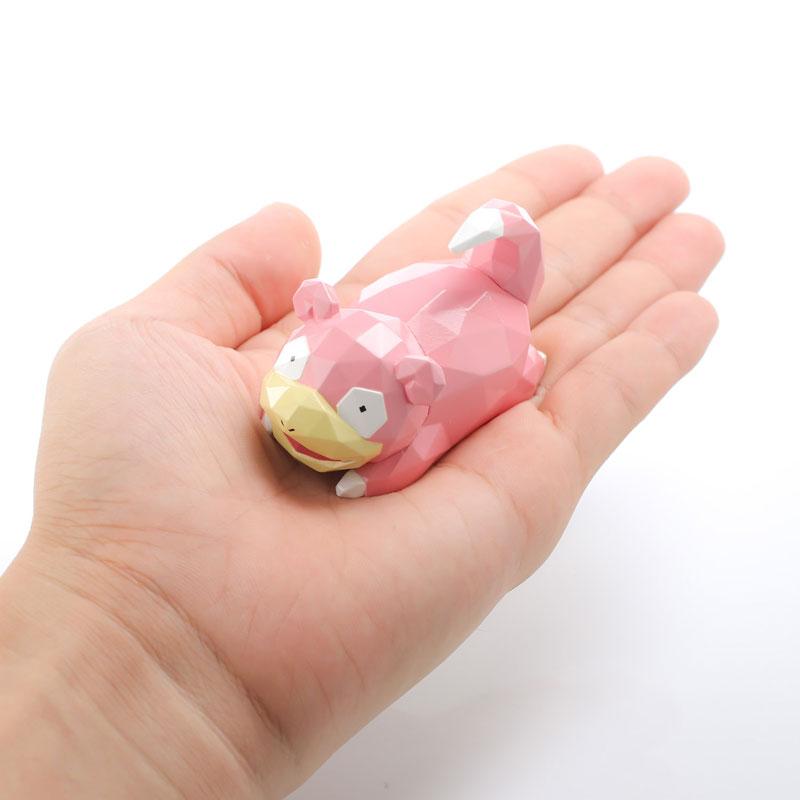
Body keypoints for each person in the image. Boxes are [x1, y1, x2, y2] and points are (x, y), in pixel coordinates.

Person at [0, 146, 723, 798]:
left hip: (487, 346)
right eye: (293, 365)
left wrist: (372, 475)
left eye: (360, 411)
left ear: (411, 396)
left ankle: (517, 357)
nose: (299, 417)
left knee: (511, 368)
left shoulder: (433, 401)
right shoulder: (340, 334)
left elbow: (413, 451)